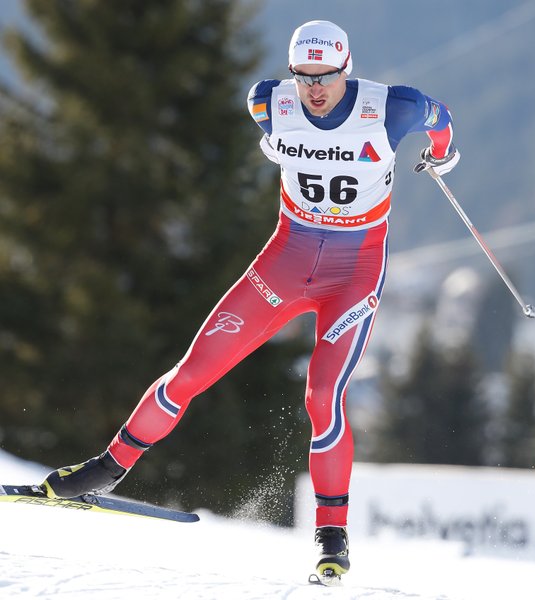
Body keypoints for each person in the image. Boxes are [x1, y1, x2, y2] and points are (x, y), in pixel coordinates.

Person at [41, 20, 459, 579]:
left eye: (326, 77)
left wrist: (440, 155)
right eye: (304, 76)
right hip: (284, 262)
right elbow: (275, 118)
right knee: (192, 372)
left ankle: (332, 536)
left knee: (322, 397)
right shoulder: (267, 102)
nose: (314, 89)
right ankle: (106, 468)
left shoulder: (393, 108)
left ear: (346, 68)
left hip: (353, 274)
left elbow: (442, 119)